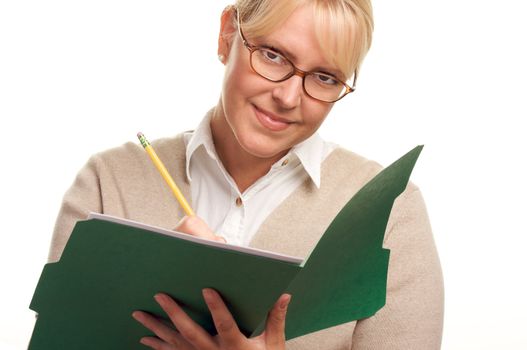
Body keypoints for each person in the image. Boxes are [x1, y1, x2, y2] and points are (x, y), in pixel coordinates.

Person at [47, 0, 444, 349]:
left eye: (325, 78)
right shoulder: (109, 181)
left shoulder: (391, 213)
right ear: (226, 35)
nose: (288, 98)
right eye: (273, 55)